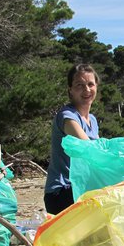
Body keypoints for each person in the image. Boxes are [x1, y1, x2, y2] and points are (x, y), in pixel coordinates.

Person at [44, 64, 100, 215]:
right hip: (61, 192)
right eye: (79, 85)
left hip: (80, 189)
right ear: (70, 90)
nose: (87, 90)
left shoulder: (92, 120)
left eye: (90, 84)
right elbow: (89, 149)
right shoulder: (67, 116)